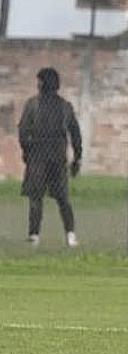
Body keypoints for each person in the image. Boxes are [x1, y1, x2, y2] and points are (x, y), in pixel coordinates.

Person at [18, 67, 82, 248]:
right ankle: (70, 235)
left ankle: (34, 235)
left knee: (35, 198)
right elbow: (75, 134)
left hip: (37, 157)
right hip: (57, 158)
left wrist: (26, 152)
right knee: (63, 199)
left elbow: (23, 132)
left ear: (42, 83)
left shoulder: (32, 105)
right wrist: (77, 157)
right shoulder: (65, 107)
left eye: (39, 81)